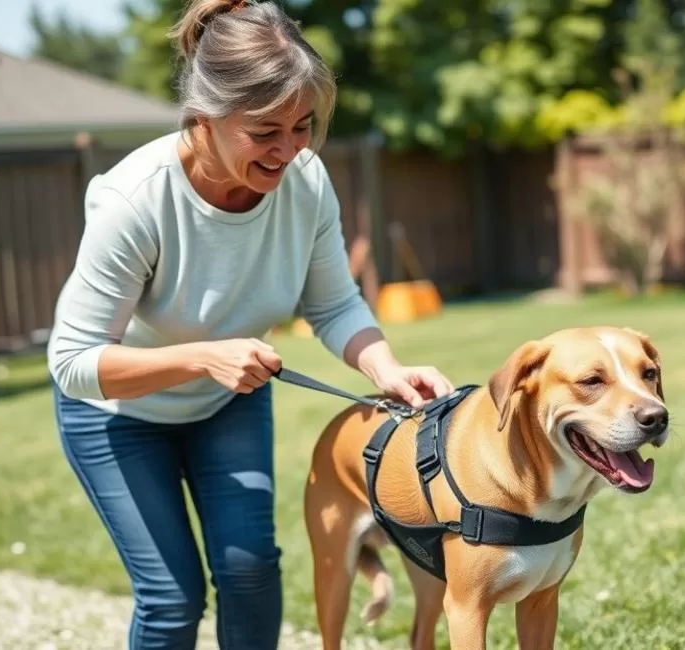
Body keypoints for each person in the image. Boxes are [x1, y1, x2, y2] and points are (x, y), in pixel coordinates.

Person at [46, 1, 454, 648]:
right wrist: (204, 358)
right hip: (116, 418)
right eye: (266, 130)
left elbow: (334, 304)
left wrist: (388, 369)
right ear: (205, 117)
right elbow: (73, 364)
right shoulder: (134, 202)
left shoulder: (305, 183)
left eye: (303, 126)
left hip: (224, 405)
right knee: (173, 599)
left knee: (251, 574)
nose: (290, 150)